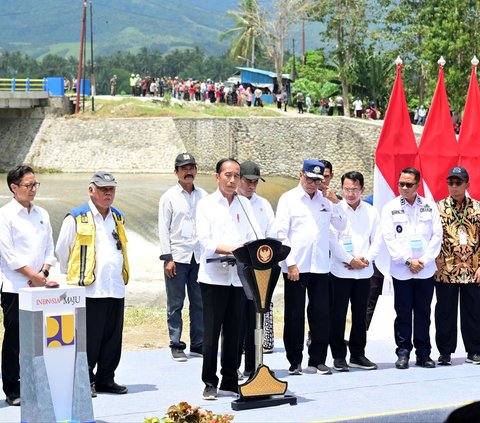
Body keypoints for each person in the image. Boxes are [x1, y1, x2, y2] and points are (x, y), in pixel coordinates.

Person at [56, 171, 129, 397]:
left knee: (112, 337)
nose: (108, 193)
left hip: (114, 286)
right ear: (91, 190)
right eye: (103, 188)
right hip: (88, 289)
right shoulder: (76, 217)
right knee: (88, 338)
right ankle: (85, 379)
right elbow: (61, 251)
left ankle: (106, 378)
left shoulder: (117, 216)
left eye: (111, 189)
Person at [196, 158, 260, 400]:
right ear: (217, 177)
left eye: (236, 175)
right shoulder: (206, 205)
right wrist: (233, 249)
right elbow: (206, 242)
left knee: (235, 331)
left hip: (238, 277)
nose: (232, 180)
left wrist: (251, 249)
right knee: (212, 332)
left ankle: (230, 380)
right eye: (228, 175)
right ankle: (209, 382)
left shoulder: (244, 204)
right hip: (214, 278)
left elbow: (255, 235)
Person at [276, 160, 346, 375]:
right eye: (309, 179)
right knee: (294, 315)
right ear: (300, 175)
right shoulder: (289, 199)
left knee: (321, 315)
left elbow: (342, 226)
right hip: (297, 266)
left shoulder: (326, 201)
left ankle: (317, 359)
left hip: (320, 267)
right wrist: (291, 263)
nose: (313, 184)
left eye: (317, 180)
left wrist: (335, 202)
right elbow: (280, 234)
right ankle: (295, 360)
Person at [0, 166, 55, 407]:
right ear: (14, 187)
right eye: (28, 185)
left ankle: (35, 383)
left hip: (39, 285)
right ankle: (12, 388)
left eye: (35, 185)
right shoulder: (5, 215)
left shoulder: (42, 213)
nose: (33, 189)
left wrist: (42, 273)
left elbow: (49, 248)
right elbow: (9, 255)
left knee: (38, 337)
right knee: (14, 339)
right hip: (15, 286)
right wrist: (32, 275)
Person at [381, 167, 442, 369]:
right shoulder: (390, 207)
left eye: (409, 184)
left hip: (424, 270)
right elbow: (389, 239)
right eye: (401, 184)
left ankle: (424, 353)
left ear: (418, 185)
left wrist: (423, 260)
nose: (404, 188)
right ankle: (403, 352)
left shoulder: (429, 207)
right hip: (402, 270)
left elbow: (436, 237)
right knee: (403, 312)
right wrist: (408, 261)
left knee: (424, 313)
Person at [329, 171, 382, 372]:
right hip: (341, 271)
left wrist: (366, 259)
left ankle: (358, 354)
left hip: (364, 272)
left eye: (354, 190)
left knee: (360, 315)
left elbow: (377, 239)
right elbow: (332, 239)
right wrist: (350, 260)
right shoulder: (335, 209)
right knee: (338, 314)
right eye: (347, 189)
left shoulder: (371, 212)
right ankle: (338, 356)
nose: (350, 194)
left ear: (362, 190)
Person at [158, 153, 207, 362]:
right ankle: (176, 344)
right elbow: (163, 228)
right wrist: (167, 257)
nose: (188, 172)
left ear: (196, 170)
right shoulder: (168, 197)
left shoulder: (204, 196)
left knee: (200, 303)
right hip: (177, 257)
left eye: (191, 167)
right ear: (176, 172)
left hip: (198, 256)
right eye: (184, 168)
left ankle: (198, 343)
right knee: (175, 303)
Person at [435, 167, 480, 366]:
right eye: (450, 182)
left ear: (467, 184)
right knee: (445, 312)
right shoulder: (438, 208)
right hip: (446, 269)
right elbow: (431, 238)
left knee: (474, 312)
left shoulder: (478, 208)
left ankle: (475, 350)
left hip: (473, 270)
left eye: (458, 182)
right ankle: (445, 352)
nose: (454, 186)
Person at [236, 161, 276, 377]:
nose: (251, 185)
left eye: (255, 182)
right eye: (248, 181)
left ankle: (253, 366)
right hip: (238, 266)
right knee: (237, 318)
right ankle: (234, 365)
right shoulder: (233, 203)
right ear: (239, 179)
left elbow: (272, 232)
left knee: (256, 318)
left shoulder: (264, 205)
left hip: (261, 267)